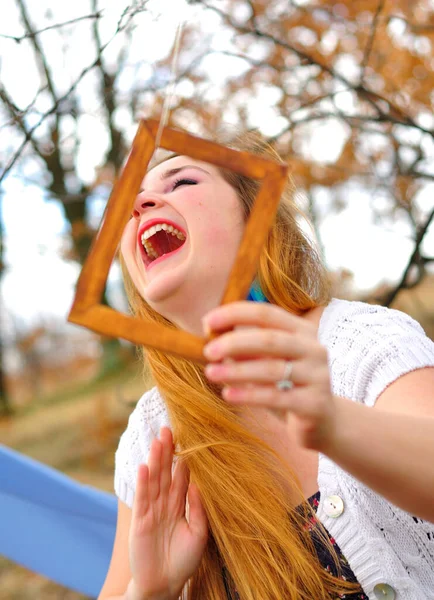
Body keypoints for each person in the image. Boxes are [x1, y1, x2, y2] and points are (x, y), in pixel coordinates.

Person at [98, 132, 434, 600]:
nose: (141, 204)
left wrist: (334, 424)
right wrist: (151, 589)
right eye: (131, 204)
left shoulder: (364, 342)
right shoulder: (152, 436)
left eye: (181, 183)